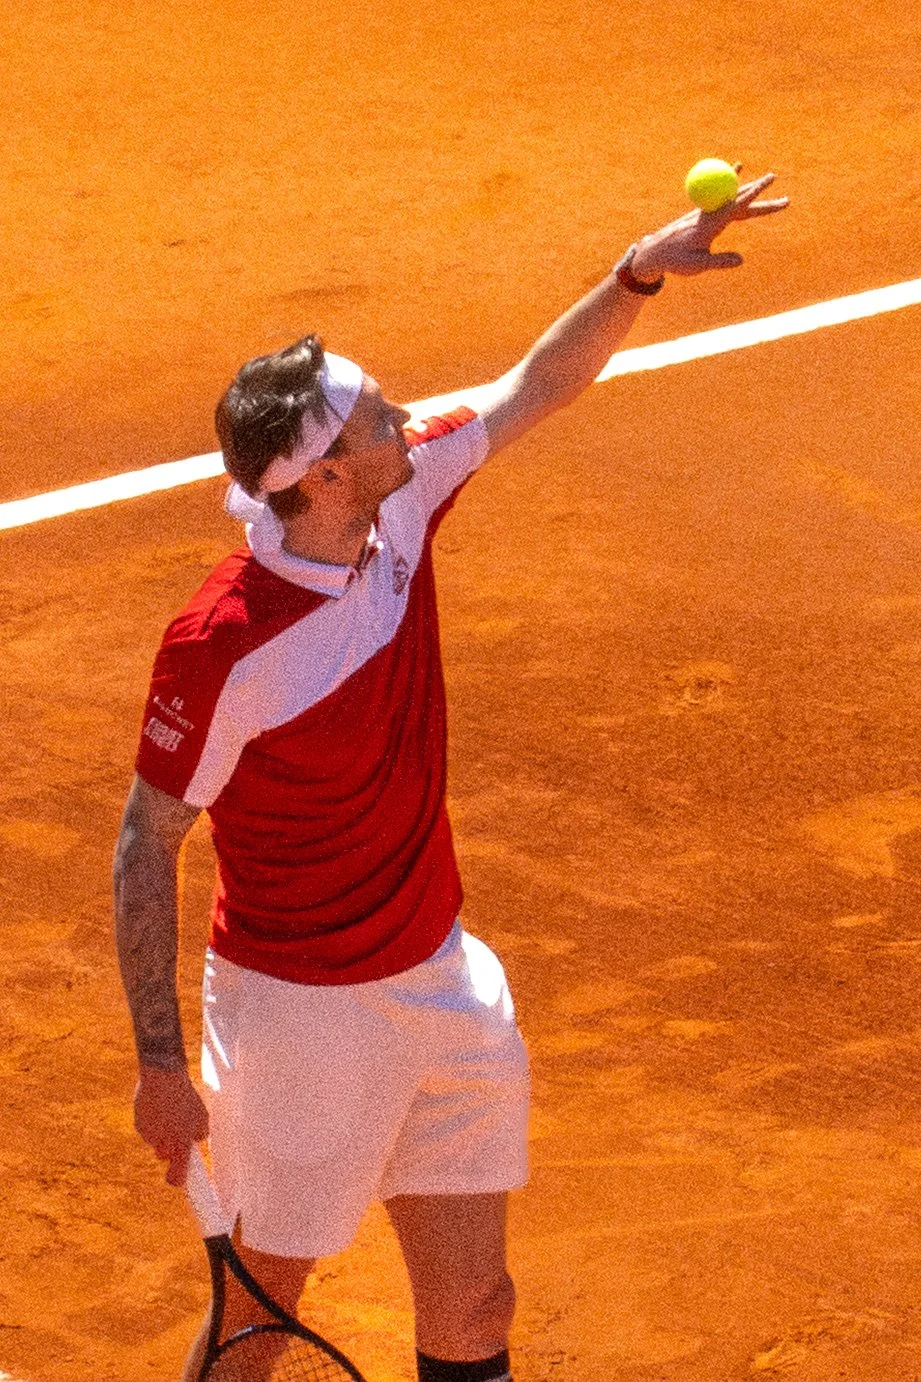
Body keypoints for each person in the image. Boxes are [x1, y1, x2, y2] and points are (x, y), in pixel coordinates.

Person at [113, 171, 788, 1382]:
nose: (405, 416)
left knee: (477, 1304)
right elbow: (142, 840)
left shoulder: (401, 489)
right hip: (301, 1014)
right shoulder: (225, 643)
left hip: (438, 972)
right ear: (320, 473)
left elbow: (536, 385)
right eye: (376, 414)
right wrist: (164, 1061)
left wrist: (636, 272)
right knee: (265, 1316)